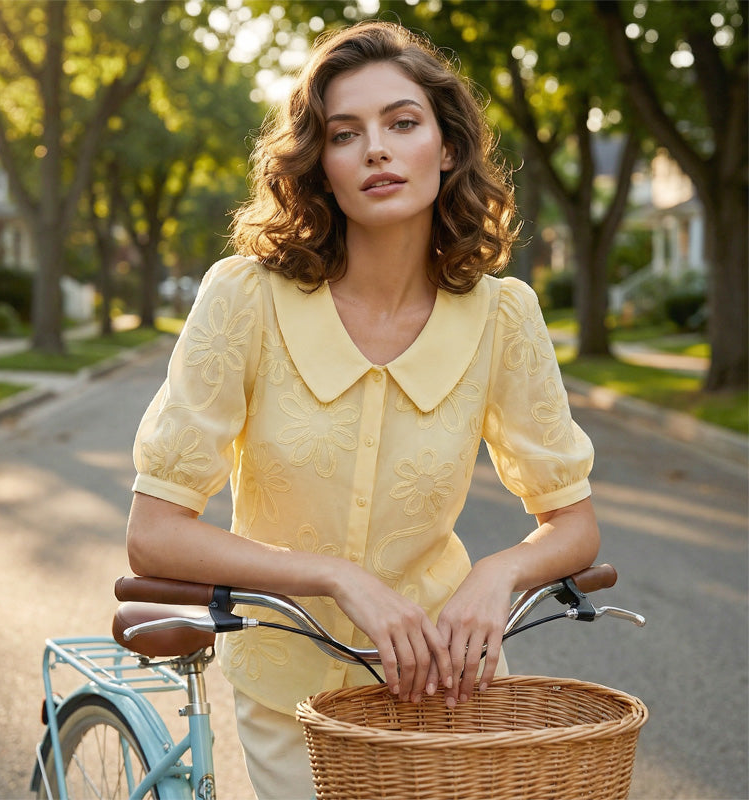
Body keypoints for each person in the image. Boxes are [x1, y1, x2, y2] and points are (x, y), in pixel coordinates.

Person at [127, 20, 599, 800]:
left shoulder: (503, 315)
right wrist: (337, 578)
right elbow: (154, 533)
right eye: (346, 134)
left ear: (446, 148)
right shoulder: (246, 299)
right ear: (323, 166)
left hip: (454, 687)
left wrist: (499, 573)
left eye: (402, 123)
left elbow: (573, 521)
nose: (376, 149)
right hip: (293, 694)